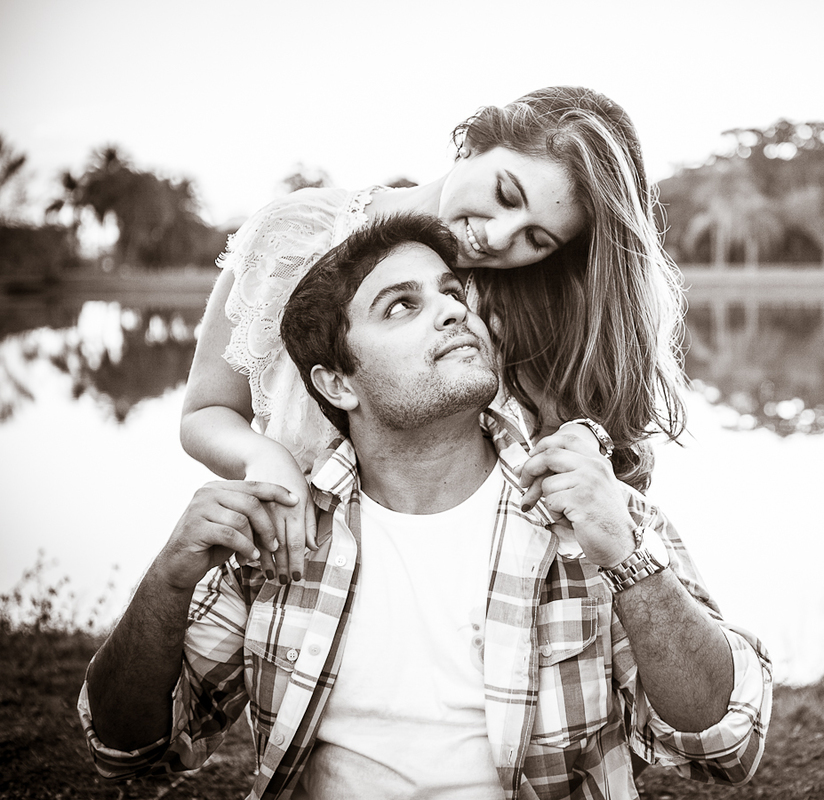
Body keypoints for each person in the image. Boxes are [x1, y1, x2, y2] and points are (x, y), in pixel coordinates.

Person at [80, 214, 771, 799]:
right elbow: (128, 752)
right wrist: (170, 578)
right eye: (400, 305)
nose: (451, 310)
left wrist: (627, 557)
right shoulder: (277, 531)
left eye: (452, 292)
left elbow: (726, 742)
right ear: (337, 382)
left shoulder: (594, 511)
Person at [180, 86, 688, 585]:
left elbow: (578, 447)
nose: (497, 238)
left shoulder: (534, 306)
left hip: (468, 586)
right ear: (471, 142)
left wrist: (584, 441)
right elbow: (205, 412)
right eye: (506, 195)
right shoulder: (293, 234)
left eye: (536, 239)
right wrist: (267, 458)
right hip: (296, 568)